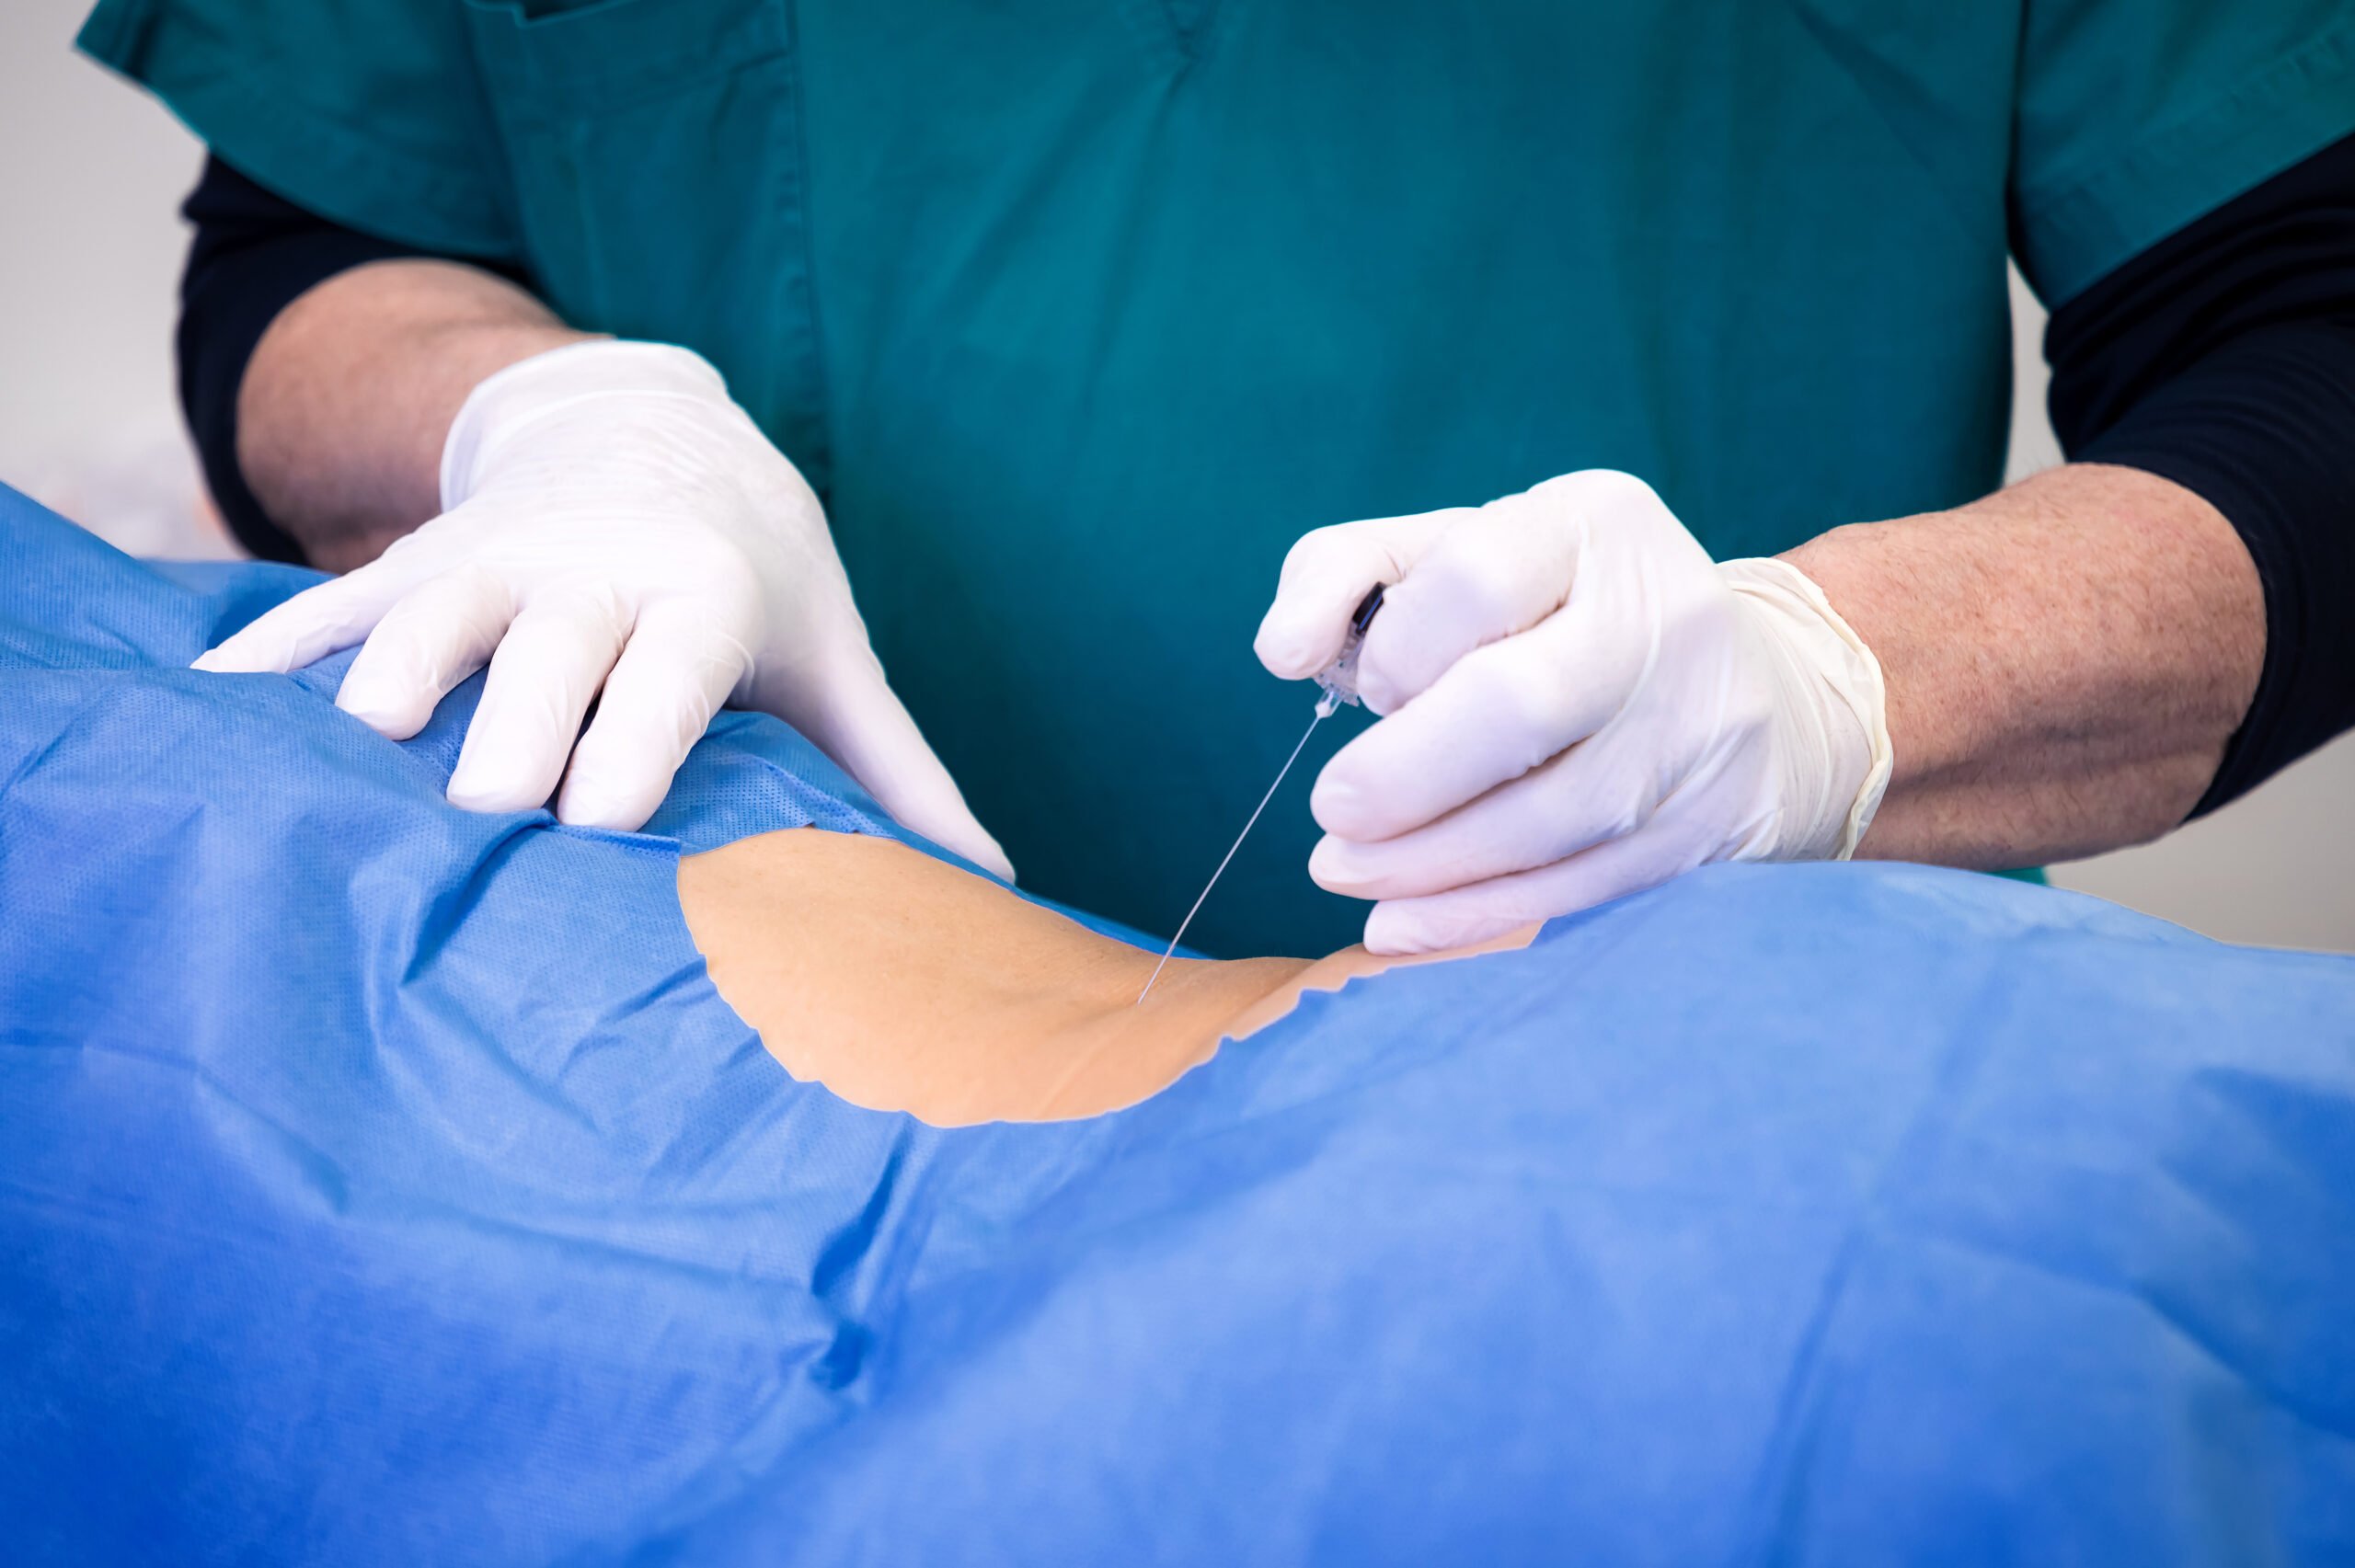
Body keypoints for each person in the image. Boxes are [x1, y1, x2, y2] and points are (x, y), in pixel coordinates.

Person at [81, 0, 2355, 956]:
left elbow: (2312, 343)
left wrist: (1840, 682)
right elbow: (314, 241)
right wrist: (548, 419)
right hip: (709, 1124)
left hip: (1684, 1141)